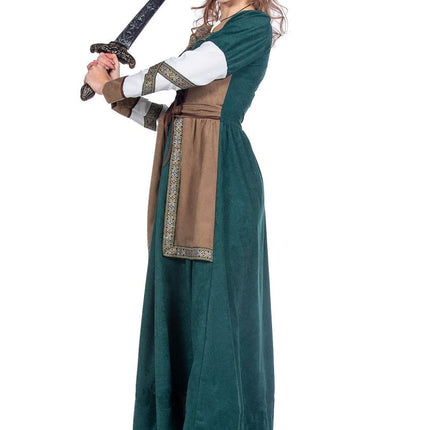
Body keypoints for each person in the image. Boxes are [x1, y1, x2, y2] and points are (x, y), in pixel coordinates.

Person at [84, 0, 287, 428]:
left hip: (222, 180)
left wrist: (113, 87)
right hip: (182, 174)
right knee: (178, 302)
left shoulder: (252, 26)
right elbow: (172, 118)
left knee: (217, 304)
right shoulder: (211, 34)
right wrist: (114, 92)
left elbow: (187, 71)